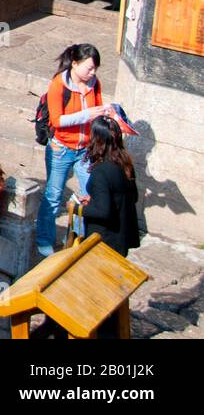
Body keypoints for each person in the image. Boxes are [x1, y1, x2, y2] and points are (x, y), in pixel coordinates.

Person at [37, 43, 113, 257]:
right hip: (61, 148)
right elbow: (57, 120)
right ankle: (44, 240)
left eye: (95, 68)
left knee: (89, 194)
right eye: (89, 68)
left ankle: (75, 237)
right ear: (75, 63)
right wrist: (88, 114)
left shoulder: (94, 84)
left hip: (85, 149)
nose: (93, 72)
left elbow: (96, 112)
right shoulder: (58, 85)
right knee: (53, 195)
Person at [79, 115, 140, 257]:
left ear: (97, 139)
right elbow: (133, 197)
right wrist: (95, 198)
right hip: (121, 238)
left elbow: (103, 212)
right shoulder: (125, 162)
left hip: (103, 241)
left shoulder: (100, 172)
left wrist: (78, 208)